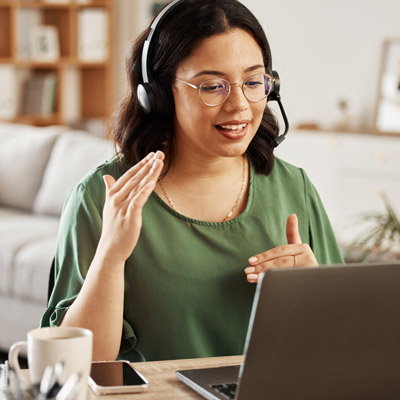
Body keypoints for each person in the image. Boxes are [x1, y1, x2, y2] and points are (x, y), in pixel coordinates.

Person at [41, 0, 343, 362]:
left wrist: (315, 292)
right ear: (159, 94)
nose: (240, 106)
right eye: (213, 86)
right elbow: (80, 367)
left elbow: (342, 349)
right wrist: (111, 256)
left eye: (252, 82)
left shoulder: (296, 188)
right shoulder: (102, 197)